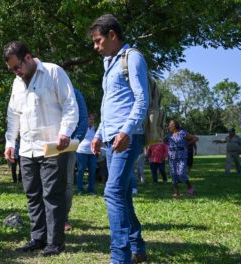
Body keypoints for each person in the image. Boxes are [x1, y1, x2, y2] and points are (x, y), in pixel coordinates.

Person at [3, 41, 79, 256]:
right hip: (27, 149)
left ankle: (55, 243)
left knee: (52, 195)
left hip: (53, 146)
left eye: (17, 67)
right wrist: (10, 143)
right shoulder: (17, 84)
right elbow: (13, 116)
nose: (16, 73)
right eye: (11, 70)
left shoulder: (54, 72)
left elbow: (70, 105)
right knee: (33, 195)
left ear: (28, 57)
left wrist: (65, 131)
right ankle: (38, 238)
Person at [89, 14, 149, 264]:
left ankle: (119, 258)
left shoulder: (132, 58)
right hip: (112, 138)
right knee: (121, 194)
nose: (95, 46)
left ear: (112, 35)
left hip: (127, 137)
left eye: (98, 40)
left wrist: (125, 131)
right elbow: (110, 105)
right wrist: (100, 134)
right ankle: (138, 247)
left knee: (112, 193)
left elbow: (142, 99)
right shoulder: (109, 63)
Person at [64, 88, 88, 232]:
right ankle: (45, 218)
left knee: (66, 182)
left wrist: (74, 141)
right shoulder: (43, 88)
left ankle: (63, 218)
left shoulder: (75, 93)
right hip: (45, 144)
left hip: (68, 145)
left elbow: (83, 119)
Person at [167, 120, 199, 197]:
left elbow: (195, 138)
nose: (169, 126)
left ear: (174, 125)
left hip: (181, 156)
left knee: (181, 173)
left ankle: (190, 189)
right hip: (172, 156)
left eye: (170, 125)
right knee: (173, 174)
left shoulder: (182, 133)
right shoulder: (169, 135)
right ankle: (176, 192)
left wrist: (187, 144)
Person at [76, 113, 97, 196]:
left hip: (92, 153)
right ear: (87, 119)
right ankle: (80, 190)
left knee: (92, 171)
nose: (91, 120)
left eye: (93, 119)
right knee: (81, 171)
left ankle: (91, 189)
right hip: (81, 151)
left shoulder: (94, 128)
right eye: (90, 119)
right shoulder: (82, 127)